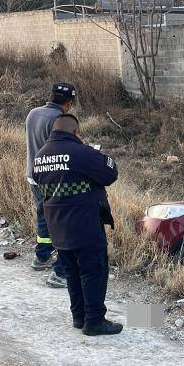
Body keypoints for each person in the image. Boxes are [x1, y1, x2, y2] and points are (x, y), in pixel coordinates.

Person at [31, 114, 123, 336]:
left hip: (56, 226)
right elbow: (110, 173)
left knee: (72, 273)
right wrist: (96, 153)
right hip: (84, 224)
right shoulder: (81, 153)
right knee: (94, 271)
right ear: (74, 132)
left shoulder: (40, 156)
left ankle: (79, 317)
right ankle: (94, 321)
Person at [25, 83, 77, 288]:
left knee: (44, 216)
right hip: (53, 179)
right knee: (63, 222)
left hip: (33, 175)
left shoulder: (33, 113)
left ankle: (41, 256)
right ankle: (60, 273)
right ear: (69, 103)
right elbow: (65, 149)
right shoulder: (60, 120)